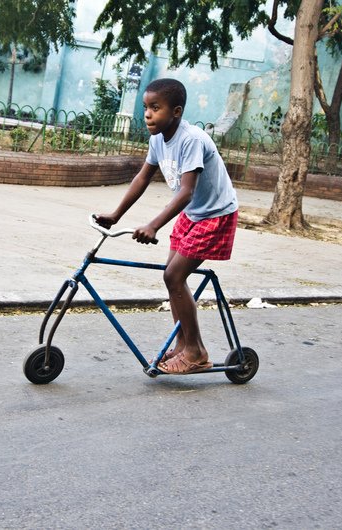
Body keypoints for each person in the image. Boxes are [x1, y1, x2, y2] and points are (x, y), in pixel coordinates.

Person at [95, 78, 239, 375]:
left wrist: (153, 225)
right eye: (146, 107)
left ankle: (196, 352)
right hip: (193, 213)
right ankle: (183, 344)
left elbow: (185, 191)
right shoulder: (158, 139)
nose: (148, 114)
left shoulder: (191, 139)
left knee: (174, 276)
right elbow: (142, 178)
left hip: (215, 214)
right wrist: (116, 215)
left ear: (176, 111)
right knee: (171, 278)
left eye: (155, 108)